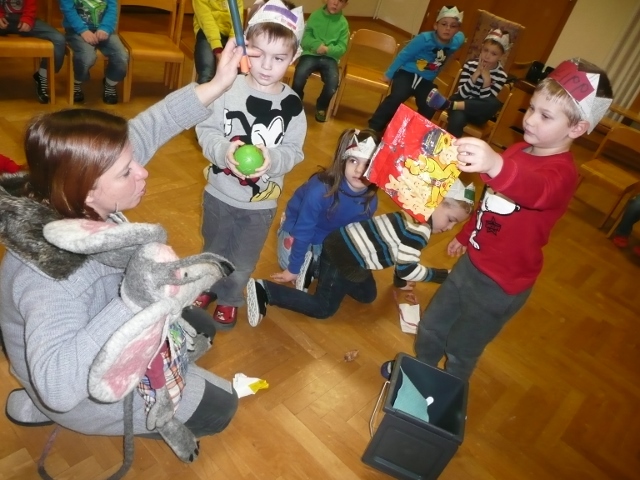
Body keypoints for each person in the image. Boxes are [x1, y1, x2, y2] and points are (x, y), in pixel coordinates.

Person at [0, 38, 248, 445]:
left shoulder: (66, 188)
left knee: (202, 325)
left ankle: (31, 403)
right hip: (79, 396)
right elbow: (59, 388)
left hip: (77, 332)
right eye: (126, 171)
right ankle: (44, 410)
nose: (142, 172)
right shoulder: (47, 276)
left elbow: (154, 123)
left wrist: (219, 82)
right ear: (88, 193)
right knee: (223, 408)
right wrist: (130, 302)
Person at [408, 58, 614, 382]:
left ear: (576, 128)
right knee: (433, 324)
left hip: (502, 285)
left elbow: (532, 190)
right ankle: (418, 374)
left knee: (463, 347)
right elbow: (490, 204)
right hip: (472, 263)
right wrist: (465, 237)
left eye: (545, 116)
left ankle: (446, 392)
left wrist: (495, 165)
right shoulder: (518, 151)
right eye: (531, 108)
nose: (530, 119)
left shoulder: (562, 174)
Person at [193, 0, 306, 330]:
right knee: (212, 249)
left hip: (261, 203)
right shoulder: (227, 89)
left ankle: (230, 297)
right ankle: (208, 286)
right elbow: (206, 130)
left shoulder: (292, 106)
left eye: (279, 58)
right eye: (258, 54)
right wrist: (224, 151)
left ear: (294, 58)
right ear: (245, 49)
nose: (267, 66)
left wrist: (271, 160)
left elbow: (294, 151)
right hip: (218, 194)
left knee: (242, 260)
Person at [245, 179, 476, 325]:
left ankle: (314, 267)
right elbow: (409, 265)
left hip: (347, 250)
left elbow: (403, 254)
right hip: (342, 258)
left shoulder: (413, 216)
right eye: (450, 219)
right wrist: (442, 276)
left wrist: (400, 279)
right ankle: (266, 291)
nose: (448, 228)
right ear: (435, 204)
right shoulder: (420, 232)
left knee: (368, 295)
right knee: (323, 308)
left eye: (454, 225)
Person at [274, 128, 379, 290]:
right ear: (343, 160)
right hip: (300, 226)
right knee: (288, 263)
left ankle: (313, 262)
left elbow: (354, 235)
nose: (359, 170)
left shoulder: (370, 201)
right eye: (353, 161)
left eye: (368, 164)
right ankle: (284, 228)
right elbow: (304, 230)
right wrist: (293, 269)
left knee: (327, 272)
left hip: (330, 235)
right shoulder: (319, 190)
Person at [368, 5, 465, 134]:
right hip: (407, 74)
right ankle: (374, 127)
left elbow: (461, 37)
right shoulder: (424, 39)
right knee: (397, 96)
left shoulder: (455, 41)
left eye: (453, 26)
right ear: (436, 26)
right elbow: (404, 55)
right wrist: (388, 74)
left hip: (426, 82)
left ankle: (413, 135)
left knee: (430, 105)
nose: (448, 28)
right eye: (444, 24)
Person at [425, 28, 510, 138]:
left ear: (501, 56)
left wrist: (487, 80)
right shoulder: (470, 64)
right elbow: (462, 94)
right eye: (485, 50)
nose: (487, 56)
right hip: (461, 101)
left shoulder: (501, 75)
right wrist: (475, 75)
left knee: (493, 103)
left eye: (493, 54)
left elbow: (485, 102)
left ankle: (449, 104)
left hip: (477, 114)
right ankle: (450, 150)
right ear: (482, 48)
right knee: (457, 119)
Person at [290, 0, 349, 123]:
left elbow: (342, 48)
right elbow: (305, 39)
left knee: (333, 83)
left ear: (345, 5)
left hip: (330, 58)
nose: (335, 4)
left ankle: (321, 106)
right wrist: (316, 46)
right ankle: (296, 100)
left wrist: (328, 49)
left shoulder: (343, 24)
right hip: (311, 53)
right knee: (299, 75)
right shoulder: (315, 16)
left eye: (340, 2)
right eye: (333, 0)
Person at [60, 0, 129, 104]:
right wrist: (83, 30)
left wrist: (105, 28)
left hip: (105, 30)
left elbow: (112, 8)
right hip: (77, 31)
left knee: (121, 56)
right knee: (86, 56)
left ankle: (110, 83)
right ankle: (77, 82)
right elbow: (68, 10)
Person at [0, 0, 66, 104]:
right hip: (3, 18)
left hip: (26, 19)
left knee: (58, 39)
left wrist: (28, 18)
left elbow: (31, 3)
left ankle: (42, 76)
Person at [193, 0, 244, 84]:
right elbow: (206, 21)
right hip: (207, 33)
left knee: (236, 73)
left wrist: (231, 45)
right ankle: (205, 93)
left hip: (230, 35)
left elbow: (237, 22)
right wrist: (218, 50)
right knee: (207, 72)